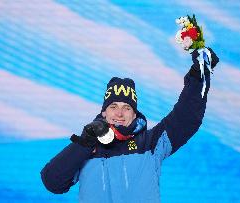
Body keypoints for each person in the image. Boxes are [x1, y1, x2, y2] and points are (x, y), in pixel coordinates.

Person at [40, 48, 219, 202]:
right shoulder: (87, 146)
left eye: (126, 108)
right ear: (104, 112)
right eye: (113, 107)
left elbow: (186, 118)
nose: (119, 113)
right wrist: (83, 144)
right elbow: (52, 182)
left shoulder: (151, 143)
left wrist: (198, 75)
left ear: (134, 114)